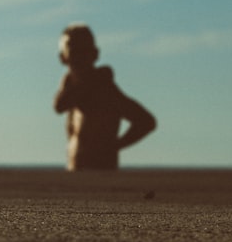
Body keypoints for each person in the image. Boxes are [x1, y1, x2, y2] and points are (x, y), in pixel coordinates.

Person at [53, 24, 156, 170]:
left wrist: (114, 146)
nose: (79, 58)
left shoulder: (105, 90)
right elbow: (59, 106)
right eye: (74, 51)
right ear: (63, 57)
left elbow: (146, 121)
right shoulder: (75, 88)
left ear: (94, 54)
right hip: (76, 174)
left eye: (84, 51)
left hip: (99, 175)